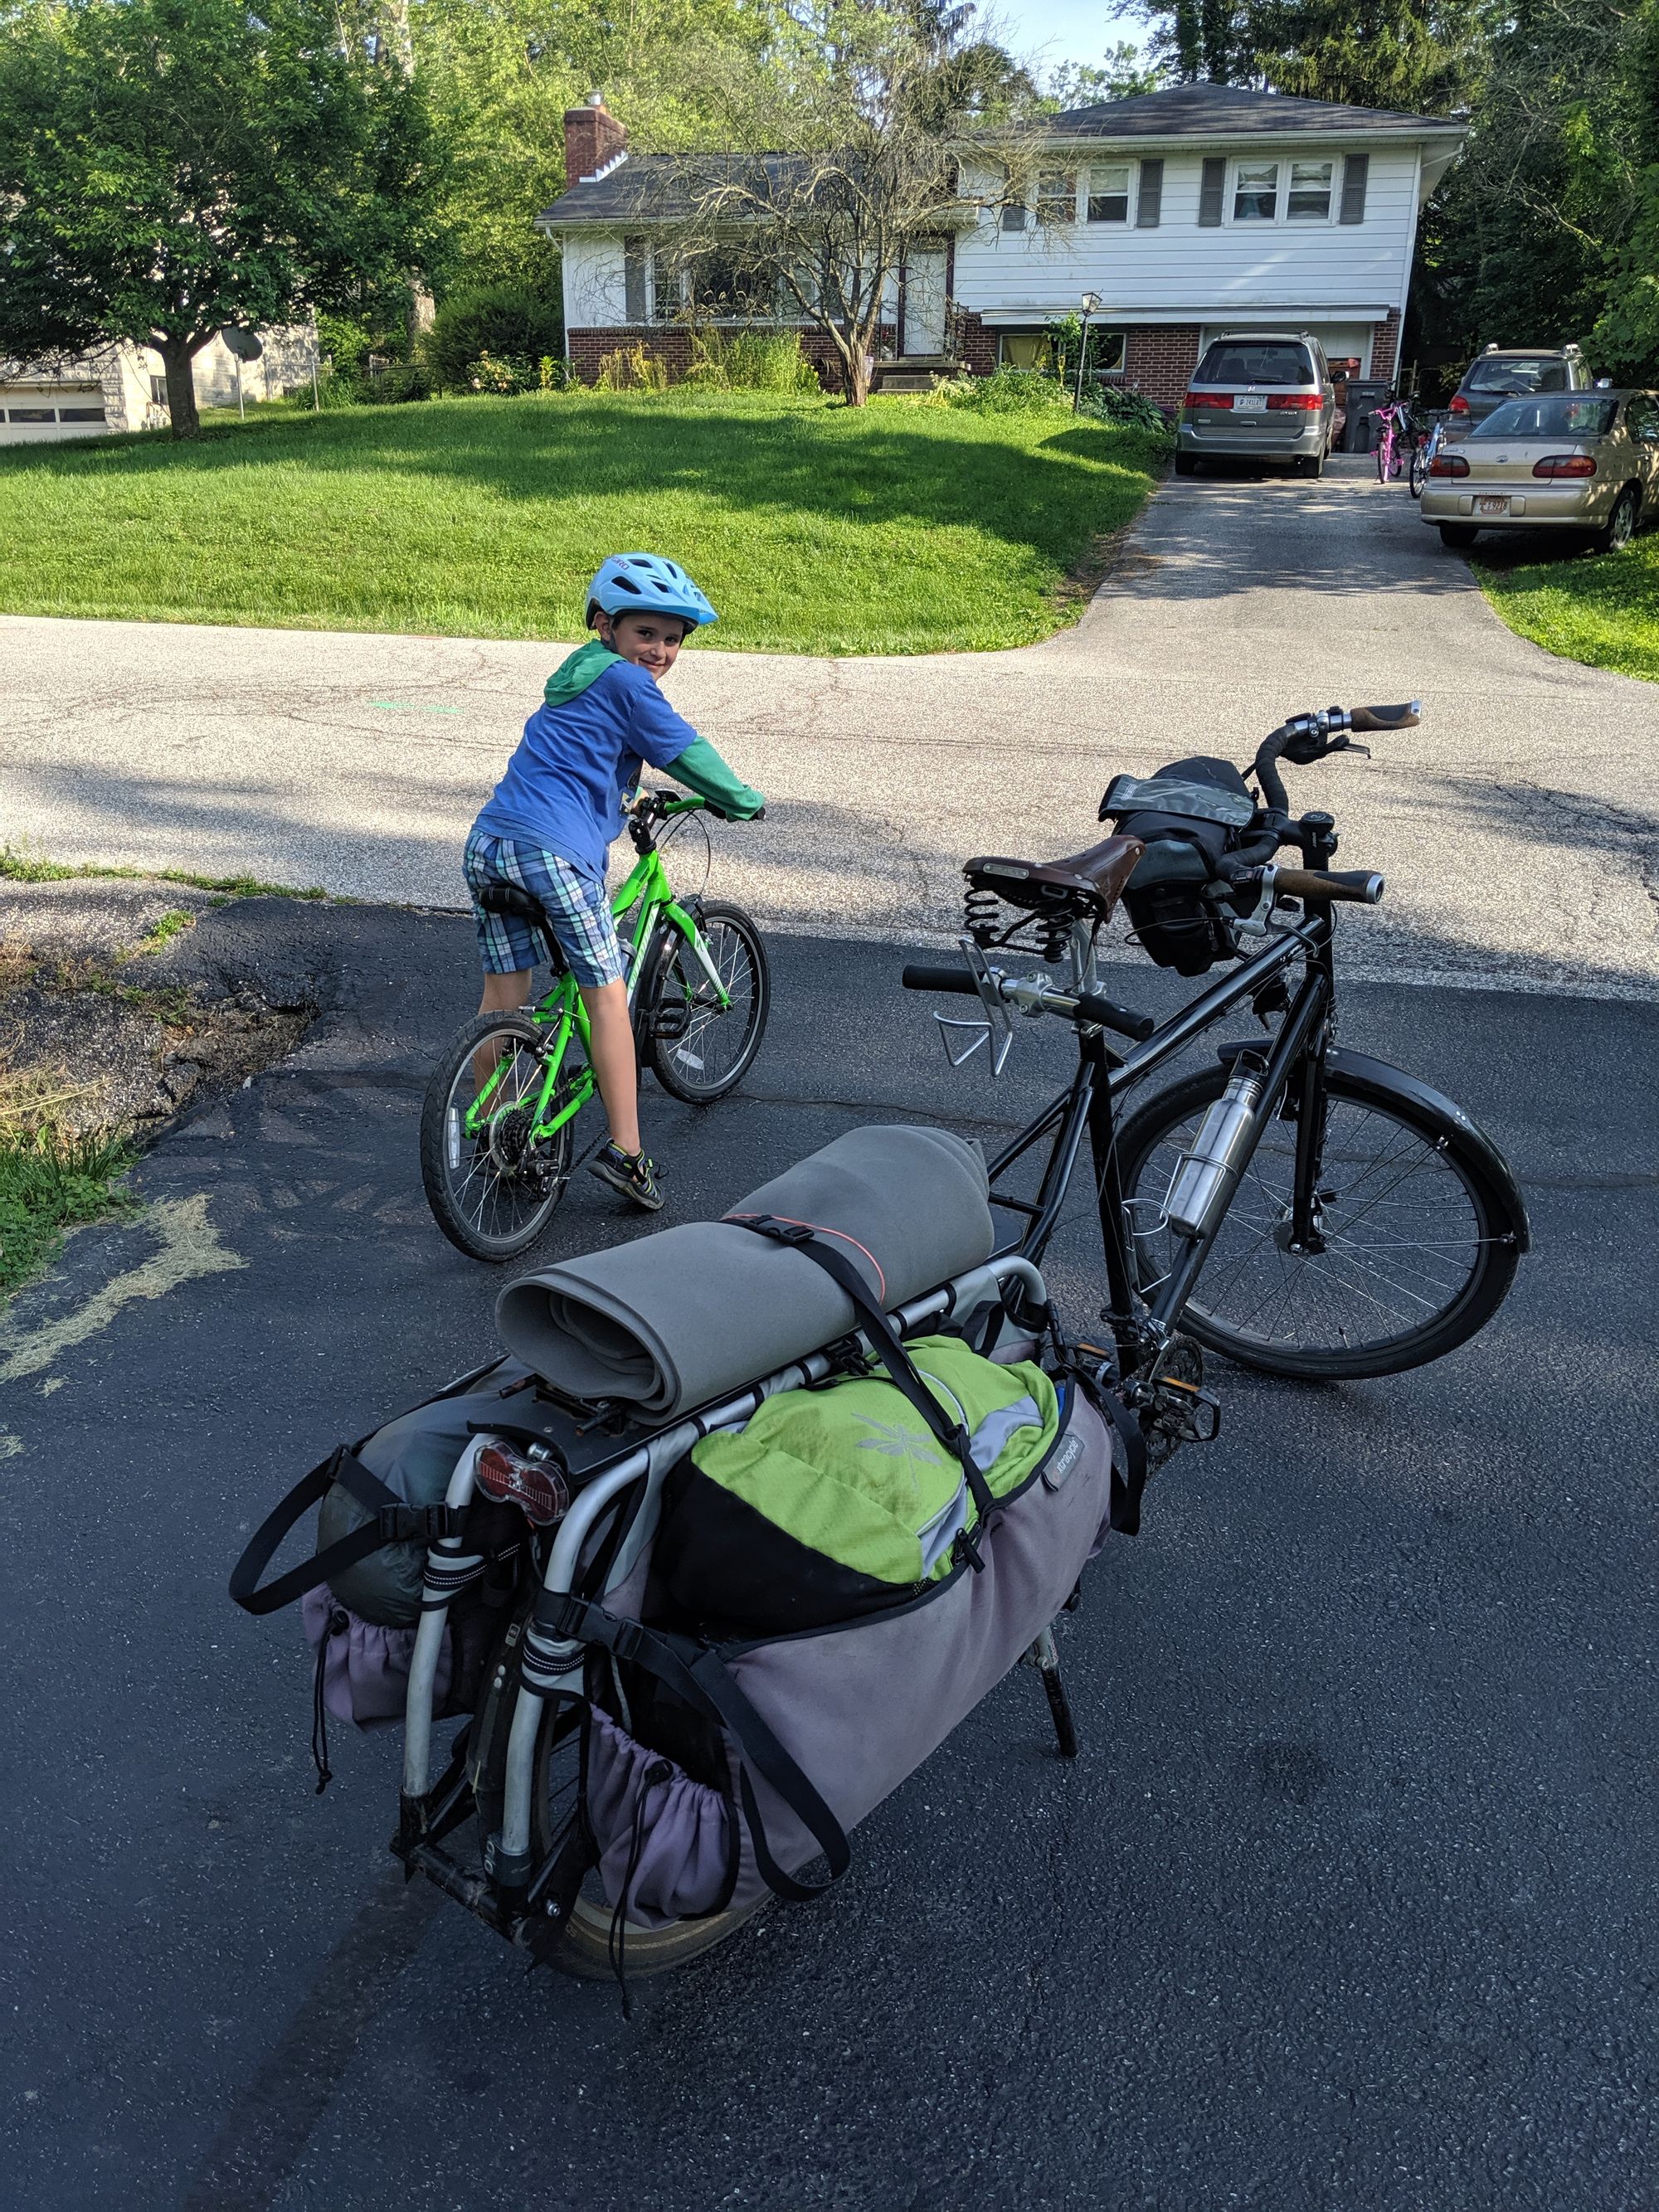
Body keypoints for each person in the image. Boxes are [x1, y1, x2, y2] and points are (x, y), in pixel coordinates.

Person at [465, 553, 764, 1212]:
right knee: (608, 996)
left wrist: (619, 794)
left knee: (504, 999)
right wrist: (741, 798)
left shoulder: (576, 675)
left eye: (673, 637)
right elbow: (688, 753)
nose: (659, 649)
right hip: (553, 854)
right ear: (606, 624)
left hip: (491, 842)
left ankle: (498, 1127)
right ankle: (629, 1154)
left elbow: (578, 758)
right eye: (645, 633)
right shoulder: (632, 687)